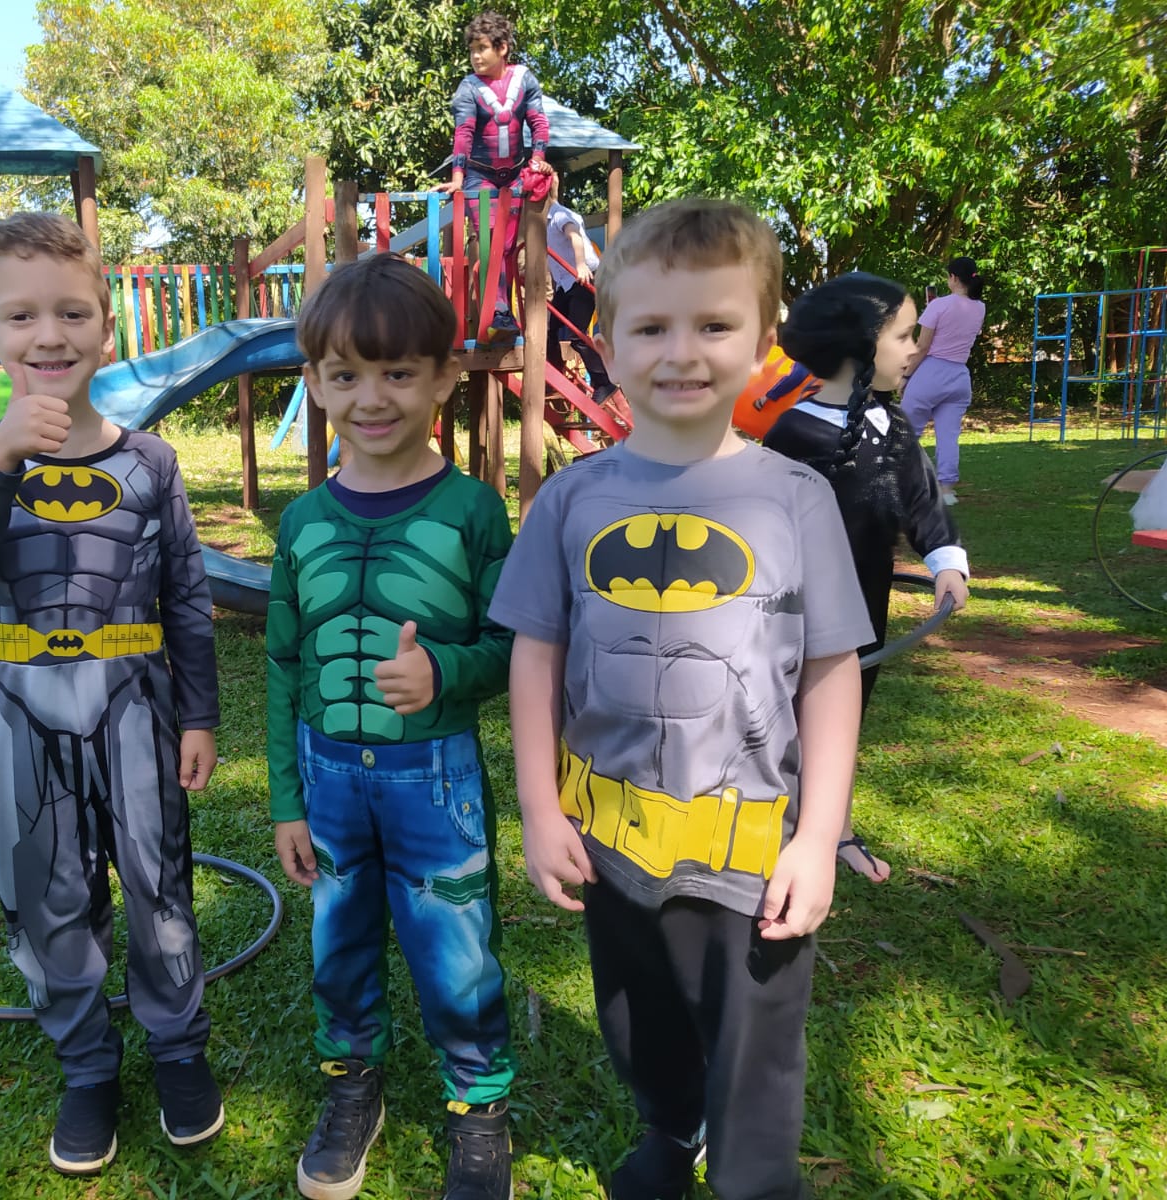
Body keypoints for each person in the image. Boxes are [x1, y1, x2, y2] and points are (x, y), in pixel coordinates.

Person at [490, 198, 873, 1200]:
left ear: (763, 338)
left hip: (751, 849)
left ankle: (753, 1179)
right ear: (607, 342)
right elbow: (534, 654)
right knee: (636, 1015)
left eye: (714, 324)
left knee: (755, 1043)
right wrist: (538, 807)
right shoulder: (571, 499)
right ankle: (672, 1125)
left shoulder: (796, 499)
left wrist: (817, 837)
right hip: (611, 838)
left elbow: (831, 672)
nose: (682, 352)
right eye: (652, 327)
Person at [0, 212, 223, 1176]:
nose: (48, 335)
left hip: (135, 705)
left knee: (158, 884)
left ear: (106, 326)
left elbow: (186, 596)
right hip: (23, 707)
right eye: (21, 316)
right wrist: (2, 460)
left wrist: (200, 713)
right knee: (47, 889)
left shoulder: (151, 462)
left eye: (71, 313)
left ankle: (178, 1050)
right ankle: (88, 1066)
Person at [268, 255, 517, 1200]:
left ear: (445, 378)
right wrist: (287, 801)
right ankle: (351, 1086)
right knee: (338, 946)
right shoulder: (300, 523)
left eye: (398, 372)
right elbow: (283, 666)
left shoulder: (474, 511)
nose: (371, 398)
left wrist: (445, 671)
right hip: (327, 777)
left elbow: (516, 645)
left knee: (456, 950)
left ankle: (478, 1106)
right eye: (345, 375)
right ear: (315, 382)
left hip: (435, 779)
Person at [764, 273, 970, 883]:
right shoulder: (792, 434)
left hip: (865, 608)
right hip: (795, 617)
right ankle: (776, 829)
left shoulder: (894, 426)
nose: (915, 349)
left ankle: (836, 829)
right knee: (788, 721)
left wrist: (946, 563)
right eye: (903, 336)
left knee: (844, 723)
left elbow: (924, 503)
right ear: (859, 346)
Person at [438, 10, 550, 345]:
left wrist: (538, 161)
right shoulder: (468, 87)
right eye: (472, 49)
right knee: (489, 241)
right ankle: (499, 310)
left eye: (482, 48)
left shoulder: (524, 79)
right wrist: (458, 177)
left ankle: (504, 312)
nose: (475, 56)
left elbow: (538, 123)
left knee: (507, 247)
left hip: (514, 175)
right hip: (480, 175)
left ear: (502, 48)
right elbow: (464, 131)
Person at [899, 256, 986, 505]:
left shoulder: (938, 305)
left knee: (906, 432)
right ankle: (947, 490)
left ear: (953, 278)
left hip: (931, 372)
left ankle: (902, 486)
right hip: (959, 376)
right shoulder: (980, 307)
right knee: (948, 436)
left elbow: (922, 346)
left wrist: (906, 376)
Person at [544, 174, 617, 405]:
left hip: (585, 277)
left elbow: (575, 236)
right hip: (567, 283)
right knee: (550, 329)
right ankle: (553, 377)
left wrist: (581, 264)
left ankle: (604, 383)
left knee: (577, 335)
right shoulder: (543, 222)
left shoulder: (559, 214)